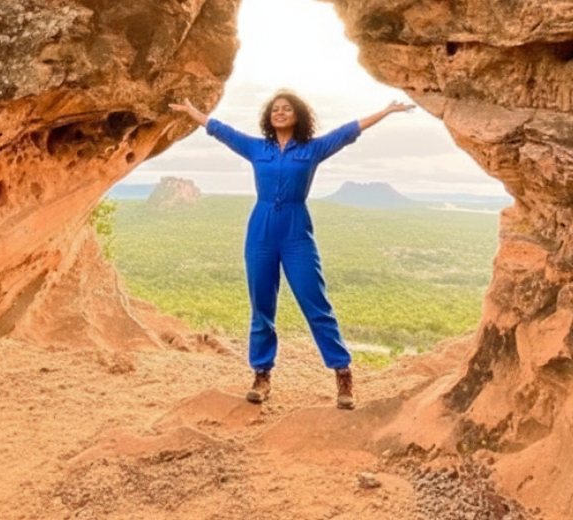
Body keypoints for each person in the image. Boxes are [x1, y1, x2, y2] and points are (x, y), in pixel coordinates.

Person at [168, 91, 414, 409]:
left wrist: (386, 111)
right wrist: (193, 111)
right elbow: (222, 131)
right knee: (262, 308)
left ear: (298, 116)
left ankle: (342, 372)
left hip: (297, 230)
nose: (280, 112)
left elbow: (348, 131)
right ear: (269, 118)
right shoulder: (257, 148)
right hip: (261, 229)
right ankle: (261, 373)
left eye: (286, 109)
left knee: (316, 304)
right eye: (275, 109)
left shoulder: (312, 150)